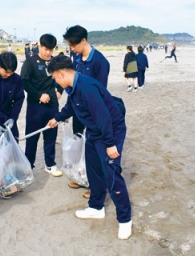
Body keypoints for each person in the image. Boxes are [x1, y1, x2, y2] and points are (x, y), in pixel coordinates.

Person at [46, 55, 132, 240]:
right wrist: (57, 118)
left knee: (111, 174)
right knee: (94, 171)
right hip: (94, 131)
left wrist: (110, 144)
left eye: (54, 78)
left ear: (61, 73)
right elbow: (70, 107)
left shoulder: (86, 87)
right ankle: (96, 207)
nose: (55, 82)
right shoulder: (72, 87)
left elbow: (104, 117)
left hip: (110, 131)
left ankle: (125, 220)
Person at [63, 25, 111, 197]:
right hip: (78, 111)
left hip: (92, 114)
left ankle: (95, 185)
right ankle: (80, 176)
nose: (72, 49)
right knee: (79, 144)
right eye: (69, 45)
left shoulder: (100, 62)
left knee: (94, 149)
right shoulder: (76, 58)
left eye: (74, 45)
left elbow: (100, 92)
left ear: (83, 40)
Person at [20, 34, 63, 177]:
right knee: (32, 137)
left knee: (51, 135)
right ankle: (28, 166)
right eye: (45, 49)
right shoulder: (30, 62)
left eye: (51, 50)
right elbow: (24, 82)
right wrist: (38, 95)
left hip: (52, 105)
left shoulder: (55, 62)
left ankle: (50, 164)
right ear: (39, 46)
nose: (48, 53)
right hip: (35, 106)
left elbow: (62, 76)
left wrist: (60, 90)